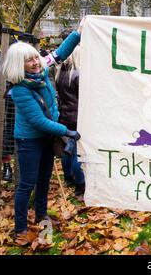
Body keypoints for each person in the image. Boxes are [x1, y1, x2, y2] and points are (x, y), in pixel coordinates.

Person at [2, 23, 83, 243]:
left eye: (36, 57)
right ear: (19, 65)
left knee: (45, 179)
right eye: (29, 60)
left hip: (47, 138)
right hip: (29, 140)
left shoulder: (41, 72)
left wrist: (78, 32)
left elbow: (60, 53)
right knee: (27, 183)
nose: (35, 62)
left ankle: (41, 215)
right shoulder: (19, 89)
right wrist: (67, 131)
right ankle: (19, 229)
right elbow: (39, 121)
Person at [55, 46, 85, 197]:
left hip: (65, 116)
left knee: (68, 148)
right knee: (78, 152)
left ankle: (68, 177)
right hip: (78, 116)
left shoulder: (61, 73)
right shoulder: (78, 74)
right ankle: (80, 184)